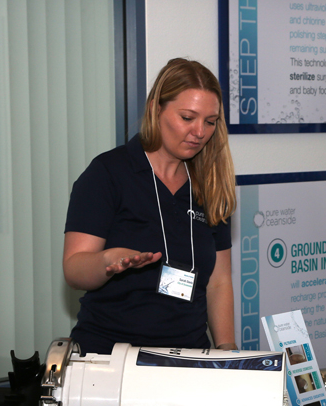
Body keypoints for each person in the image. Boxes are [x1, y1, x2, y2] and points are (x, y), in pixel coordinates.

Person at [63, 57, 238, 355]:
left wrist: (228, 351)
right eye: (187, 118)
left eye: (210, 122)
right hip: (110, 358)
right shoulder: (108, 173)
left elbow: (219, 282)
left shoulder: (210, 184)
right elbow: (74, 270)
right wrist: (109, 260)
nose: (200, 132)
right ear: (157, 109)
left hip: (188, 357)